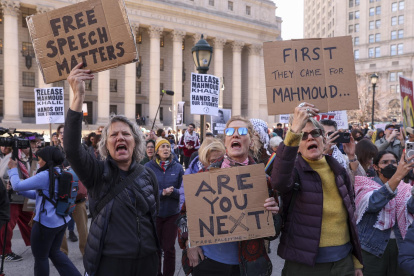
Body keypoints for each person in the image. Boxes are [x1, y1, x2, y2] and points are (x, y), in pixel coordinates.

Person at [64, 63, 159, 276]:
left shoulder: (148, 175)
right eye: (113, 135)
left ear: (135, 142)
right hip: (110, 264)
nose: (119, 138)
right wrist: (77, 98)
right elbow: (71, 148)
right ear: (106, 145)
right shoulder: (96, 174)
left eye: (125, 134)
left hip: (148, 263)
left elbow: (154, 216)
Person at [177, 116, 279, 276]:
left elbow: (274, 233)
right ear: (225, 141)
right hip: (208, 263)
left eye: (242, 131)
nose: (236, 134)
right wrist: (189, 243)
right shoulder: (205, 175)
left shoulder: (262, 180)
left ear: (251, 141)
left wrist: (273, 215)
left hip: (247, 266)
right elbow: (184, 216)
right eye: (230, 131)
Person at [271, 102, 363, 275]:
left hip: (343, 264)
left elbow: (351, 216)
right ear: (297, 145)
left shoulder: (339, 170)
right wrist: (294, 131)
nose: (310, 138)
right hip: (304, 266)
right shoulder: (294, 171)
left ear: (324, 139)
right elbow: (279, 182)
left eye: (315, 133)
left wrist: (356, 262)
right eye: (303, 136)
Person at [8, 146, 81, 276]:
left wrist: (13, 169)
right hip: (61, 220)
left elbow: (17, 184)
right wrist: (19, 190)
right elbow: (39, 195)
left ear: (47, 160)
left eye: (40, 159)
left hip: (45, 223)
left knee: (41, 257)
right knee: (55, 252)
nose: (39, 162)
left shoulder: (45, 175)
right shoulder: (59, 172)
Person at [354, 151, 414, 276]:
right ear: (375, 166)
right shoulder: (366, 184)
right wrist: (397, 177)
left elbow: (411, 208)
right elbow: (373, 203)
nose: (390, 165)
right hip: (372, 249)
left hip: (401, 246)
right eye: (385, 162)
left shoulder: (406, 187)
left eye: (393, 162)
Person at [145, 138, 183, 276]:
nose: (166, 149)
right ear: (157, 151)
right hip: (155, 214)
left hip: (172, 214)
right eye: (162, 147)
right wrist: (162, 193)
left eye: (168, 146)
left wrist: (174, 192)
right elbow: (145, 190)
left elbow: (183, 191)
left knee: (169, 248)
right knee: (155, 248)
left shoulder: (178, 167)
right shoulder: (148, 167)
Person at [56, 124, 88, 255]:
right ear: (58, 136)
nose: (63, 134)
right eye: (61, 132)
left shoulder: (80, 149)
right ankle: (62, 253)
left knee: (83, 228)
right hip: (62, 195)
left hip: (78, 196)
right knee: (60, 228)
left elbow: (86, 167)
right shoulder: (55, 151)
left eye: (65, 132)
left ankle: (86, 252)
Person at [0, 146, 33, 262]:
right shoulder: (12, 157)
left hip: (25, 196)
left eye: (35, 142)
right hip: (12, 197)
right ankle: (4, 252)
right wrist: (6, 184)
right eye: (31, 143)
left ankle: (36, 243)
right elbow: (2, 175)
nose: (33, 145)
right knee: (8, 225)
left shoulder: (30, 157)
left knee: (30, 220)